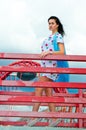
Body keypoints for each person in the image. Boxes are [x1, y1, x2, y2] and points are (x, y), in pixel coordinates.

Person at [28, 16, 66, 126]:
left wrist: (49, 52)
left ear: (57, 25)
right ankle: (54, 118)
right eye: (49, 23)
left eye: (52, 23)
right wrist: (40, 68)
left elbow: (61, 52)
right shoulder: (48, 37)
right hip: (45, 69)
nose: (50, 25)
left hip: (52, 68)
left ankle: (33, 116)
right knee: (48, 93)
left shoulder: (58, 37)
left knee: (38, 88)